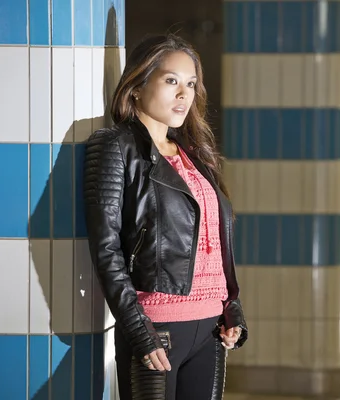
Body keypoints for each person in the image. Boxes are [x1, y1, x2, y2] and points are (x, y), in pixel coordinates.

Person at [83, 34, 248, 400]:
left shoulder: (194, 153)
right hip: (158, 327)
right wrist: (138, 328)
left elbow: (214, 240)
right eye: (171, 80)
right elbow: (106, 248)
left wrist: (231, 305)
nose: (183, 94)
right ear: (138, 85)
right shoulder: (116, 146)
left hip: (210, 329)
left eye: (190, 84)